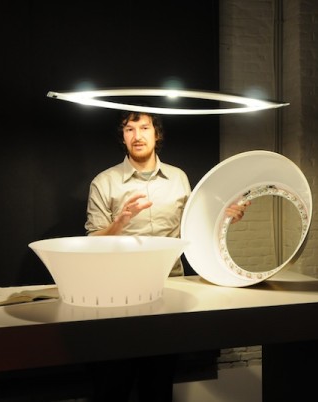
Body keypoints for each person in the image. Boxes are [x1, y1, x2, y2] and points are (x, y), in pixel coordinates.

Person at [84, 111, 249, 401]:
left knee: (159, 381)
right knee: (113, 382)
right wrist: (119, 222)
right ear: (122, 137)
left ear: (156, 134)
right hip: (118, 294)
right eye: (129, 129)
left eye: (144, 127)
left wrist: (223, 217)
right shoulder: (104, 182)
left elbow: (193, 229)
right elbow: (91, 243)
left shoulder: (178, 178)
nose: (137, 135)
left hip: (168, 289)